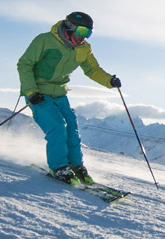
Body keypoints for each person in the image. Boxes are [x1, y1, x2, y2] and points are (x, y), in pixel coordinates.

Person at [17, 11, 121, 185]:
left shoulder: (83, 49)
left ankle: (76, 165)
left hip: (60, 93)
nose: (84, 37)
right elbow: (24, 64)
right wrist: (31, 91)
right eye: (81, 31)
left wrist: (109, 80)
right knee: (57, 127)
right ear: (70, 28)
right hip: (38, 93)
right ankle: (59, 167)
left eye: (88, 33)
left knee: (72, 127)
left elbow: (92, 70)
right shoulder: (45, 40)